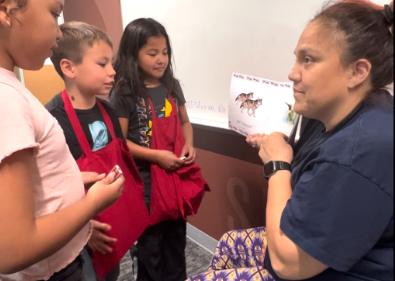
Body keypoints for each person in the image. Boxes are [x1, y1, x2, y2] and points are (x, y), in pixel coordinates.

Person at [188, 0, 394, 281]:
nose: (292, 73)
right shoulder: (332, 115)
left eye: (308, 59)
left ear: (357, 72)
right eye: (297, 58)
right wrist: (278, 151)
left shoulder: (359, 152)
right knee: (227, 244)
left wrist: (276, 166)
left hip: (314, 268)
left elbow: (288, 264)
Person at [0, 1, 125, 281]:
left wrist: (67, 178)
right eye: (54, 14)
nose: (58, 33)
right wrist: (92, 204)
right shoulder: (6, 100)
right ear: (7, 9)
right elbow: (12, 250)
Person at [45, 21, 149, 281]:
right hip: (76, 234)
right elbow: (49, 189)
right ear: (69, 68)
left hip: (111, 222)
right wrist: (85, 225)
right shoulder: (52, 121)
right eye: (102, 64)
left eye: (111, 64)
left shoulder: (109, 111)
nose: (113, 72)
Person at [111, 18, 209, 281]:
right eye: (152, 53)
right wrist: (156, 156)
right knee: (149, 255)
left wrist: (189, 143)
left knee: (176, 247)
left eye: (165, 52)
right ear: (132, 54)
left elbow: (185, 122)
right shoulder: (124, 92)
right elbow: (120, 144)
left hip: (174, 184)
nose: (161, 59)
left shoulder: (171, 86)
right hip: (144, 189)